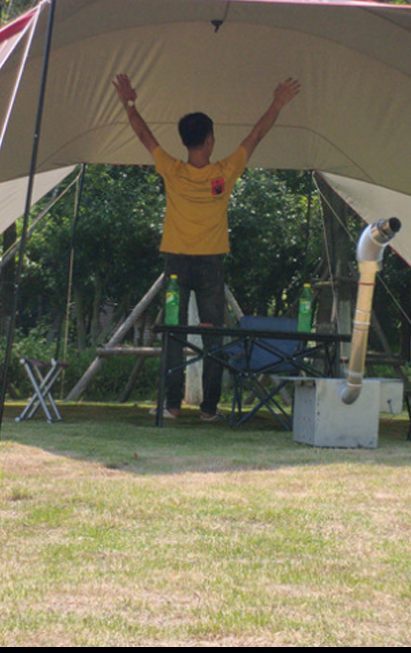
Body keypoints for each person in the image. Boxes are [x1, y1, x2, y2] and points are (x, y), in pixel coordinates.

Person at [112, 73, 301, 421]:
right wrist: (277, 102)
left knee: (174, 333)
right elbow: (256, 135)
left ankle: (171, 405)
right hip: (211, 264)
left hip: (175, 266)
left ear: (186, 142)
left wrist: (129, 102)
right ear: (210, 140)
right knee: (215, 338)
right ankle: (209, 409)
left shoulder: (172, 169)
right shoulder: (224, 172)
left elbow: (143, 134)